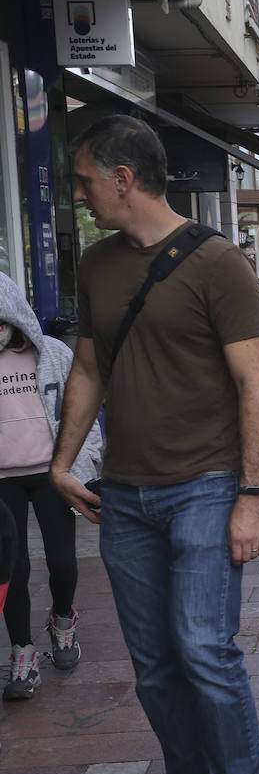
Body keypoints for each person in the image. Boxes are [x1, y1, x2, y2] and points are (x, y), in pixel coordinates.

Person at [49, 113, 259, 774]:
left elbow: (255, 385)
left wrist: (252, 495)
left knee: (205, 651)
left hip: (206, 488)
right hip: (124, 499)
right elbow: (87, 368)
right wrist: (61, 463)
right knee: (154, 669)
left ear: (123, 179)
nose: (79, 196)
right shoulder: (96, 264)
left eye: (85, 182)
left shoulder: (217, 262)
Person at [0, 273, 104, 701]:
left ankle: (63, 621)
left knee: (62, 561)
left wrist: (88, 463)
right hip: (2, 480)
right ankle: (22, 653)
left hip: (51, 474)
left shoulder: (53, 354)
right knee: (15, 570)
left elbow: (84, 411)